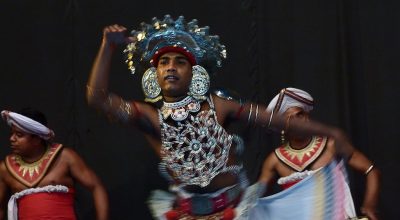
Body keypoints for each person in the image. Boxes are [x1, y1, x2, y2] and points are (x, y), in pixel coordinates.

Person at [86, 15, 353, 219]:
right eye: (164, 62)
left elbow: (274, 119)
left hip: (235, 211)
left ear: (194, 74)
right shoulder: (148, 115)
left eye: (180, 62)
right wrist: (107, 47)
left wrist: (332, 132)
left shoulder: (218, 106)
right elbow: (97, 98)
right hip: (184, 213)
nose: (170, 67)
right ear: (153, 75)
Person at [257, 88, 380, 220]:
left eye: (302, 115)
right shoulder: (274, 160)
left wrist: (369, 205)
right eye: (293, 118)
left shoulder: (331, 145)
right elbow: (255, 198)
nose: (302, 121)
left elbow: (371, 170)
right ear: (282, 127)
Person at [0, 108, 109, 220]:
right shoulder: (5, 168)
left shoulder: (65, 158)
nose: (12, 139)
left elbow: (97, 187)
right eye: (12, 133)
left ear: (37, 139)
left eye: (19, 135)